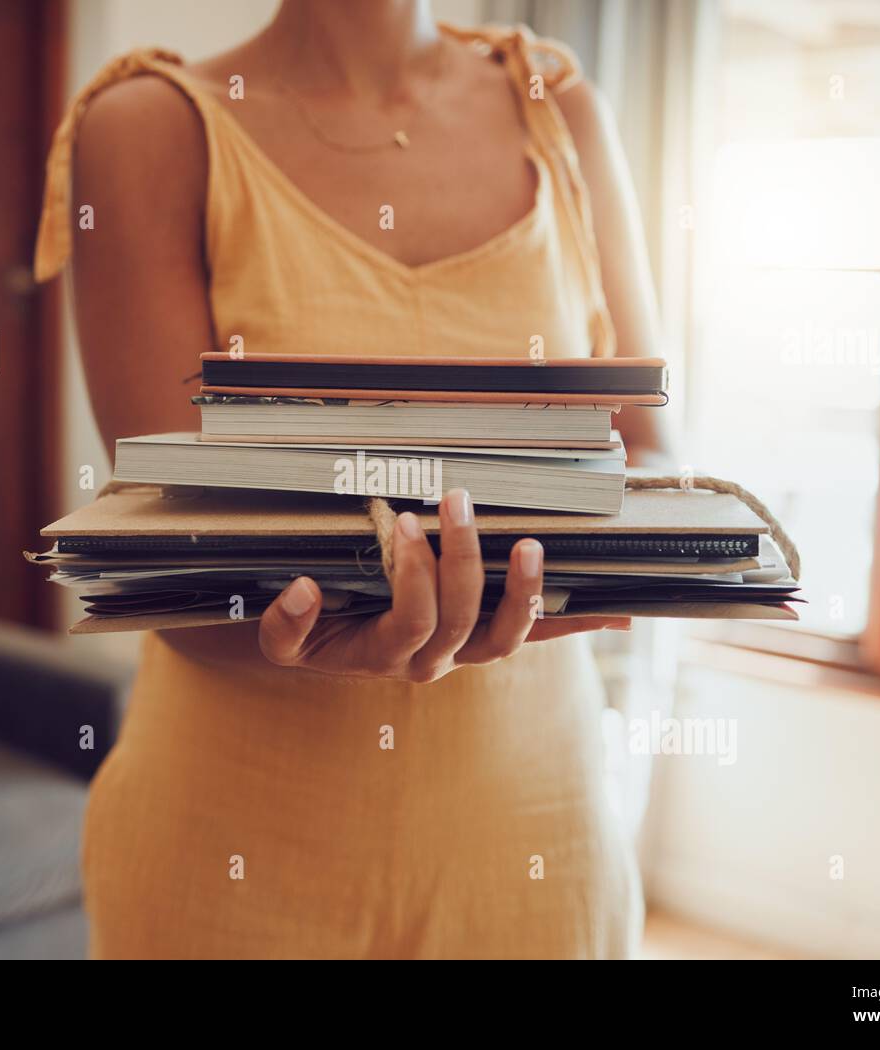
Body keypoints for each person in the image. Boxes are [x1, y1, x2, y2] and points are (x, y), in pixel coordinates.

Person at [35, 0, 669, 959]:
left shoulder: (561, 104)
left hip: (537, 841)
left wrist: (556, 568)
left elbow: (652, 453)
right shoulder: (149, 126)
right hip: (228, 860)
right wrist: (349, 625)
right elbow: (170, 556)